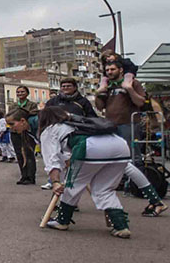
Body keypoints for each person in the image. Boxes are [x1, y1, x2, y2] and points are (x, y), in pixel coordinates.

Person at [22, 106, 133, 237]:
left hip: (90, 149)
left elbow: (52, 160)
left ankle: (62, 220)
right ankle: (121, 226)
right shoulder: (80, 123)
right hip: (121, 147)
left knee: (71, 186)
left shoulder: (50, 130)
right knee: (105, 189)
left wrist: (56, 182)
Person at [95, 59, 165, 216]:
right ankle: (121, 184)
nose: (109, 72)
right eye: (107, 70)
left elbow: (141, 102)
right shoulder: (108, 86)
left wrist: (129, 89)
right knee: (113, 156)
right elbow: (100, 107)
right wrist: (100, 92)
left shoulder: (133, 82)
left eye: (112, 69)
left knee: (133, 157)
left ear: (120, 70)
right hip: (110, 125)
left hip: (129, 123)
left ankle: (137, 187)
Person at [9, 86, 38, 185]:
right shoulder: (13, 105)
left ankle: (31, 177)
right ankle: (23, 175)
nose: (20, 93)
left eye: (22, 92)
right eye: (18, 92)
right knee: (19, 154)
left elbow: (33, 114)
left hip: (27, 132)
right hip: (15, 132)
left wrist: (22, 113)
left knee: (29, 153)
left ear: (27, 93)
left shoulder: (32, 104)